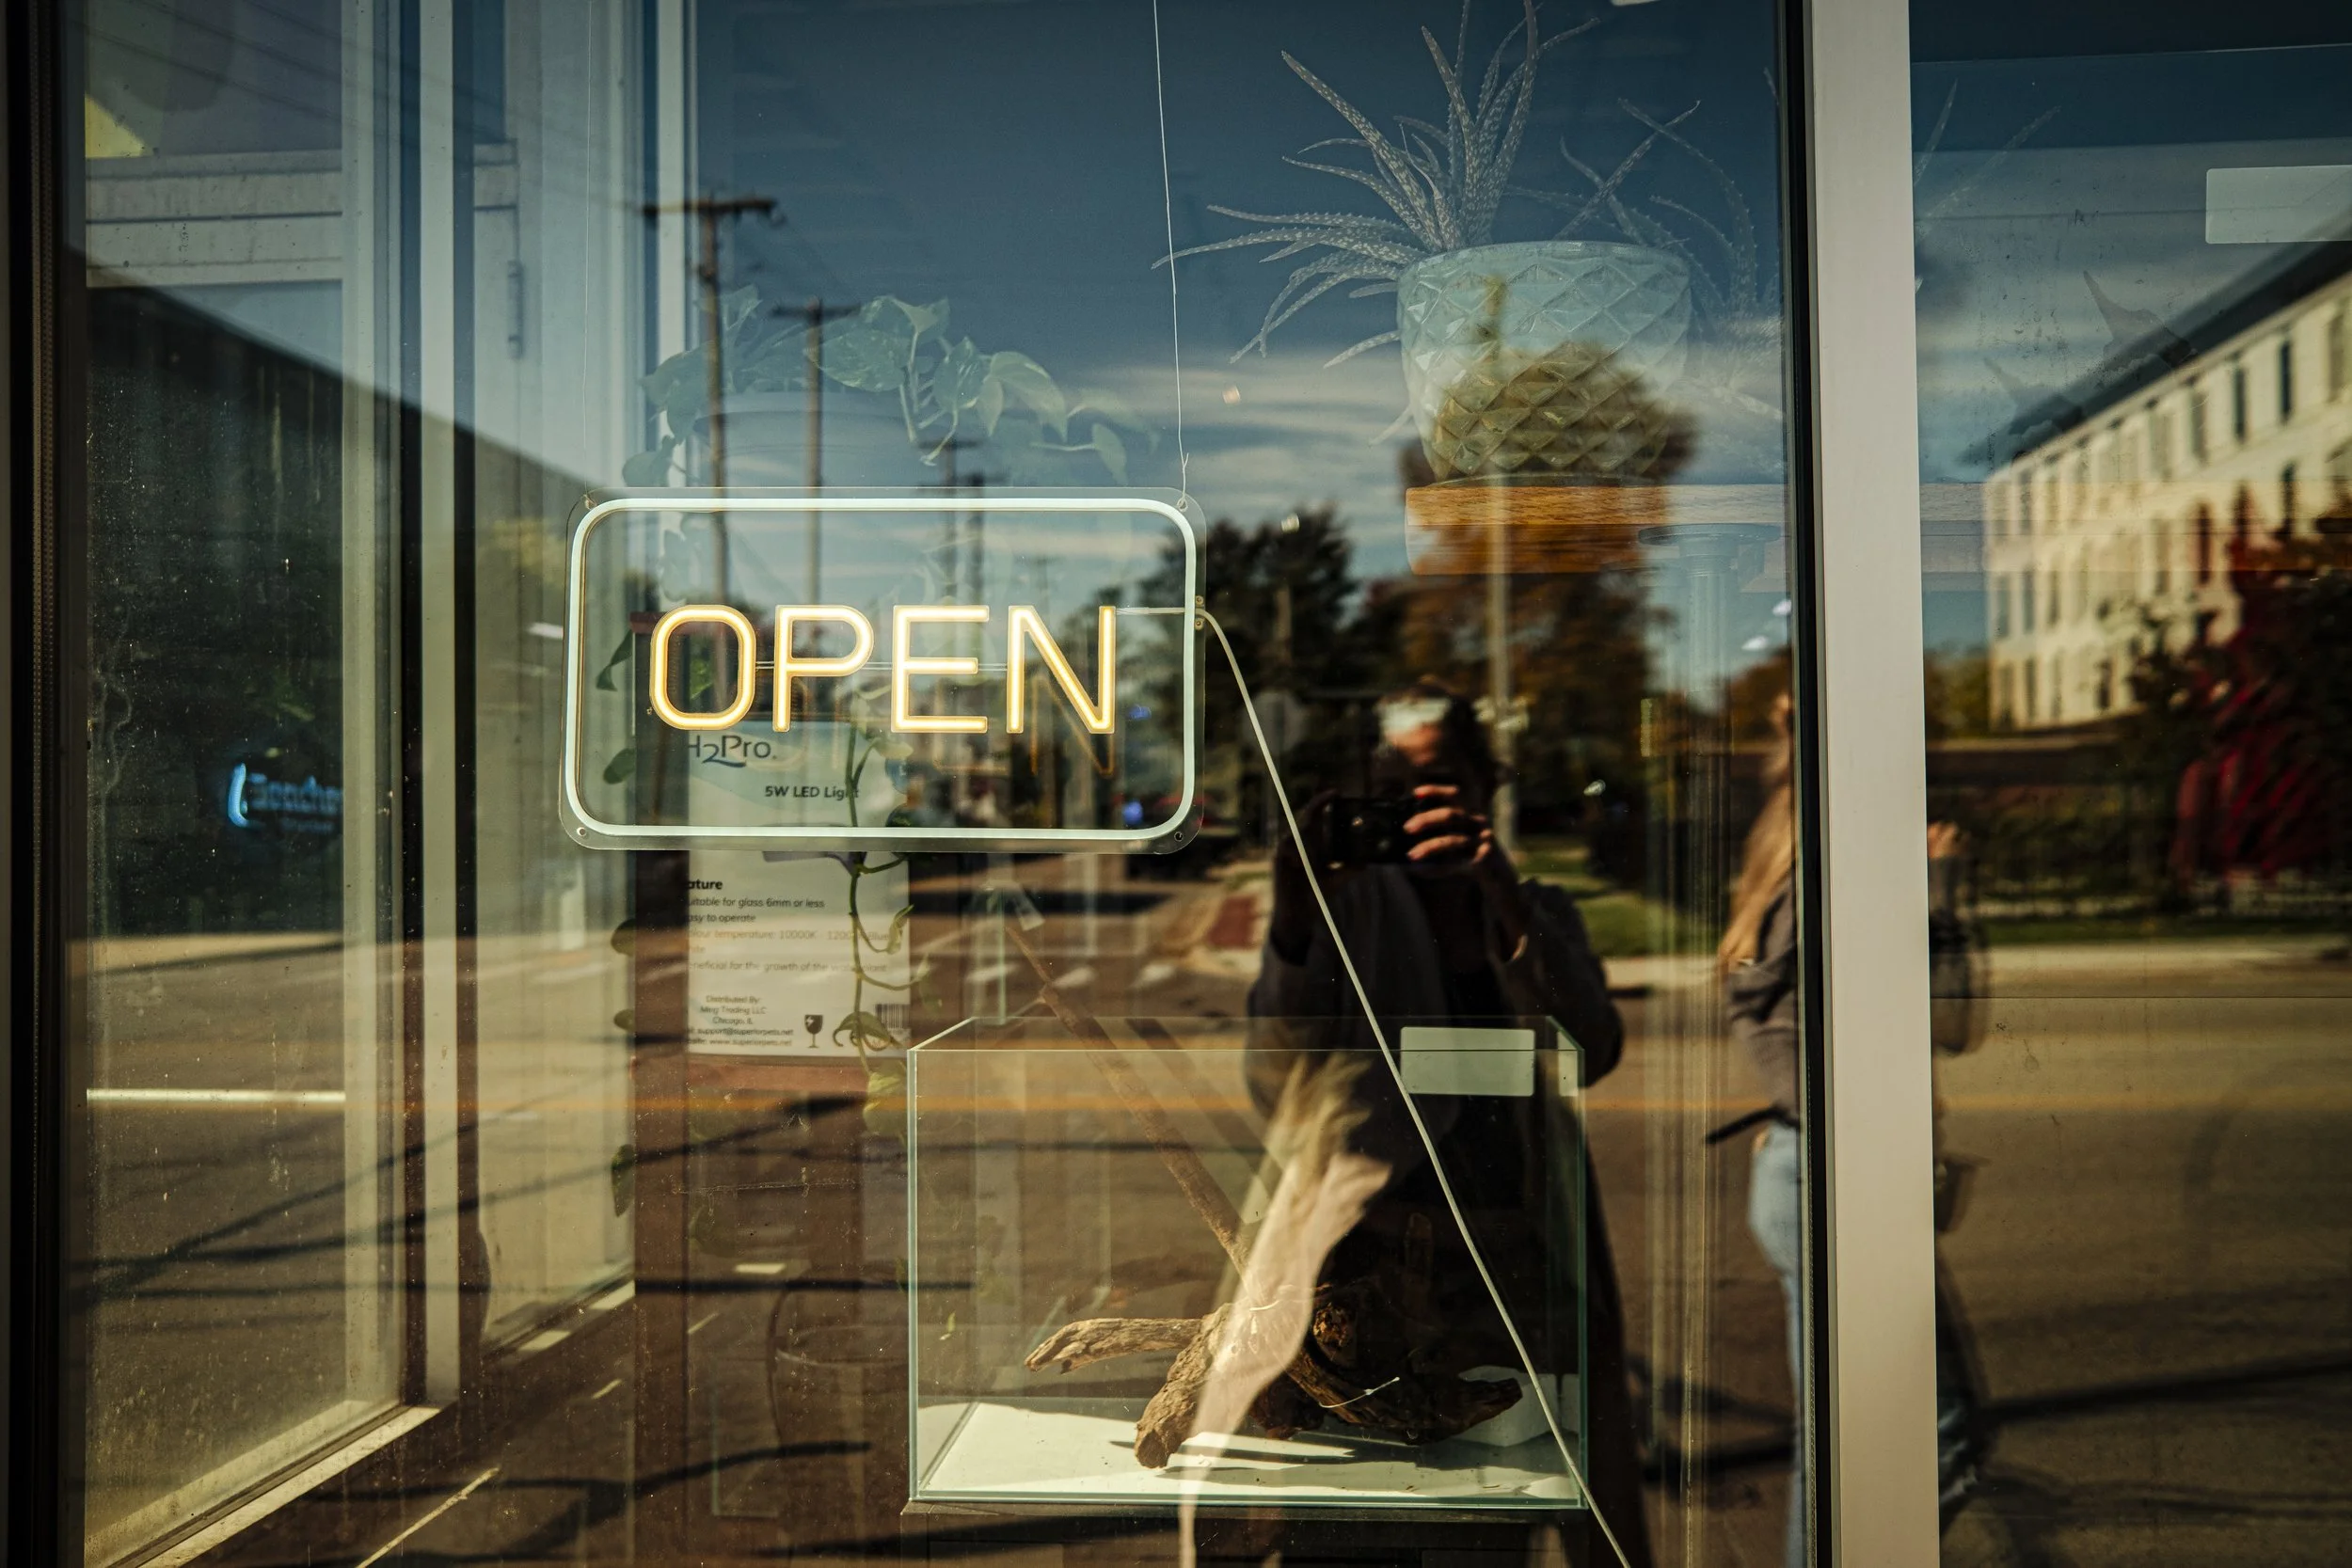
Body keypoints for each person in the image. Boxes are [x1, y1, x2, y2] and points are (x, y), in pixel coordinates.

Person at [1248, 678, 1654, 1568]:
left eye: (1433, 783)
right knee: (1345, 1511)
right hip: (1358, 1259)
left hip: (1507, 1253)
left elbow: (1599, 1045)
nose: (1410, 809)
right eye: (1390, 788)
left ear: (1483, 785)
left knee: (1496, 1499)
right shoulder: (1345, 911)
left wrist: (1501, 899)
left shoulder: (1536, 907)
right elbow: (1273, 1079)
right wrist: (1293, 909)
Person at [1720, 692, 1804, 1568]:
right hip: (1810, 1167)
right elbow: (1956, 1019)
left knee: (1841, 1424)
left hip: (1790, 1159)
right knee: (1934, 1437)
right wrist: (1941, 888)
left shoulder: (1772, 906)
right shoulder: (1812, 908)